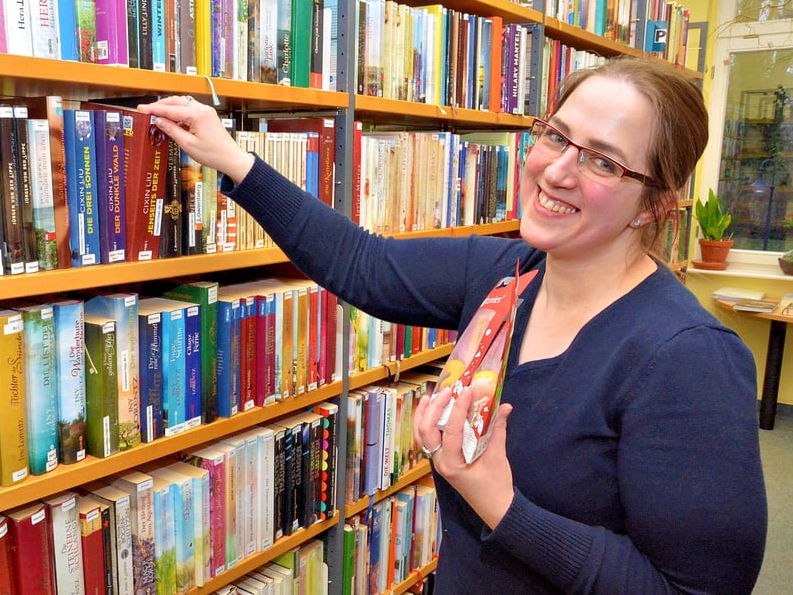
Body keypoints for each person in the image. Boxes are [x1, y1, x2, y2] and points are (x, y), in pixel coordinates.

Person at [137, 56, 768, 594]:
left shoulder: (688, 359)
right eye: (556, 135)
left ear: (654, 205)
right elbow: (364, 264)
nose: (556, 171)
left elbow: (695, 588)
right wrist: (229, 156)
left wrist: (501, 504)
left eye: (604, 163)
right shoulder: (507, 273)